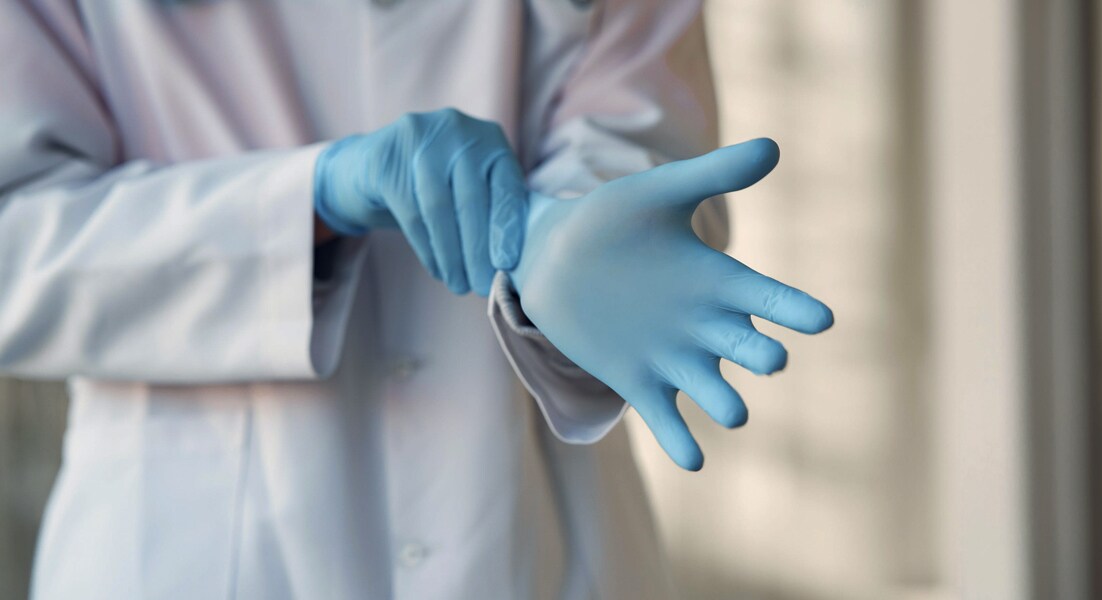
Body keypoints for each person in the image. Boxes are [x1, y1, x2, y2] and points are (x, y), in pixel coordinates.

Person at [0, 0, 832, 598]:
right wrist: (306, 199)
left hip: (535, 536)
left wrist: (574, 239)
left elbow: (647, 150)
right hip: (189, 547)